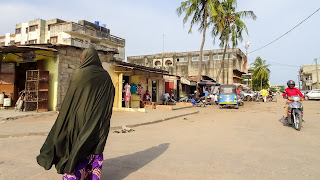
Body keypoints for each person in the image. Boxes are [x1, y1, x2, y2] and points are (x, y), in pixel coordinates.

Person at [36, 47, 115, 180]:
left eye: (82, 58)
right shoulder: (106, 76)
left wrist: (63, 120)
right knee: (93, 144)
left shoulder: (80, 73)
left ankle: (74, 175)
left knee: (76, 144)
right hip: (97, 120)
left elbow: (69, 100)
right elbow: (110, 96)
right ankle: (91, 176)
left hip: (78, 119)